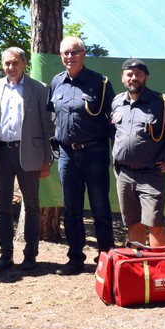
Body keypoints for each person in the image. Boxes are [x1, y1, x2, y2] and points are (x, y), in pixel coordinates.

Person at [46, 36, 116, 275]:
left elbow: (114, 119)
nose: (70, 57)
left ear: (84, 54)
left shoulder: (100, 83)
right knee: (71, 209)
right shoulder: (56, 82)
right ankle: (75, 258)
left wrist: (116, 151)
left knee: (100, 208)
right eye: (65, 53)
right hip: (67, 155)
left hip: (95, 153)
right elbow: (52, 116)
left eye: (74, 52)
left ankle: (106, 259)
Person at [0, 47, 54, 272]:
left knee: (32, 205)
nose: (11, 67)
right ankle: (5, 254)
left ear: (24, 63)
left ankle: (30, 254)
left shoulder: (39, 88)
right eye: (7, 63)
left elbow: (48, 127)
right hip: (1, 154)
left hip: (30, 154)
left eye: (15, 63)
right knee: (2, 206)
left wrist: (46, 160)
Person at [110, 58, 165, 247]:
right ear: (122, 77)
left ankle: (161, 263)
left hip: (151, 175)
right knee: (133, 223)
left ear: (145, 77)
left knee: (154, 223)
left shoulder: (163, 103)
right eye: (129, 74)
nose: (133, 78)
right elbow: (114, 133)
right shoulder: (117, 102)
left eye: (138, 74)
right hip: (124, 174)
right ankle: (139, 262)